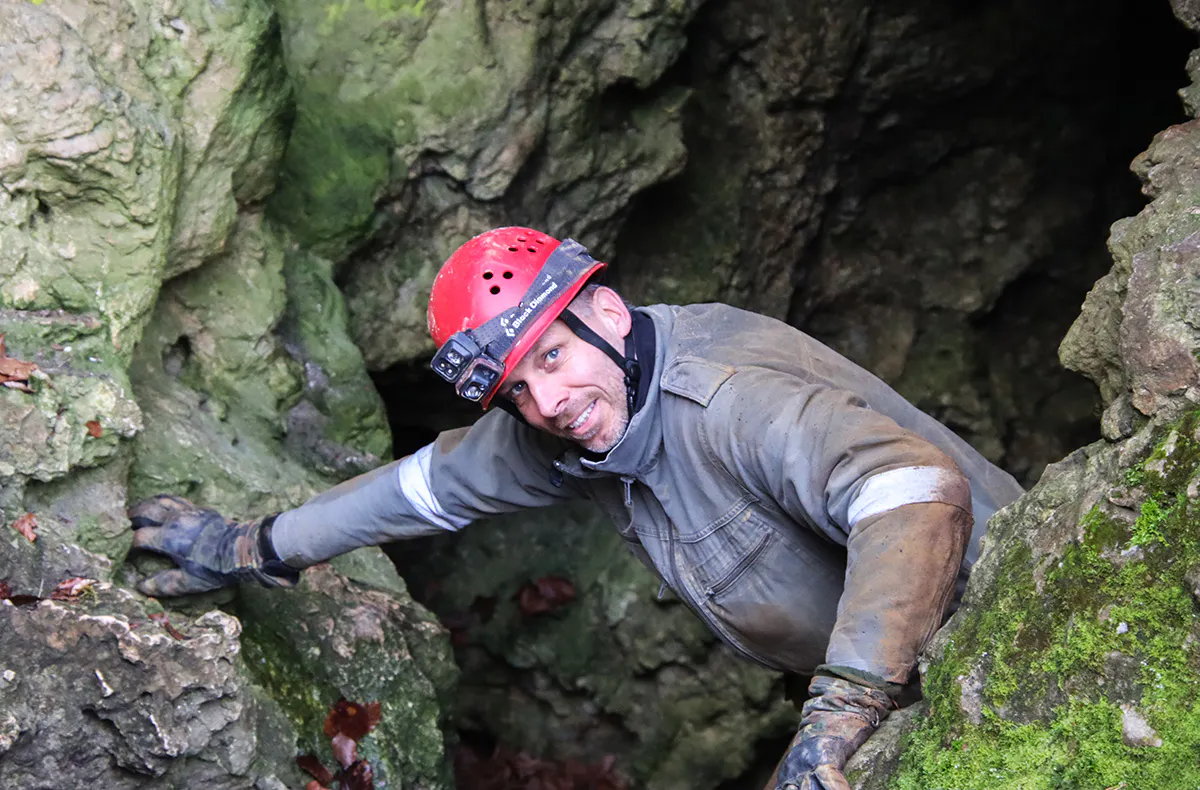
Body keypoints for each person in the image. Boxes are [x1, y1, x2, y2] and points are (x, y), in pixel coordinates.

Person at [129, 227, 1024, 790]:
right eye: (517, 389)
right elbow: (420, 489)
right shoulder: (572, 425)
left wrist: (839, 711)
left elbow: (911, 494)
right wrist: (254, 545)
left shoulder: (726, 400)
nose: (547, 402)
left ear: (606, 311)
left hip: (1007, 625)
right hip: (901, 686)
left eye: (553, 359)